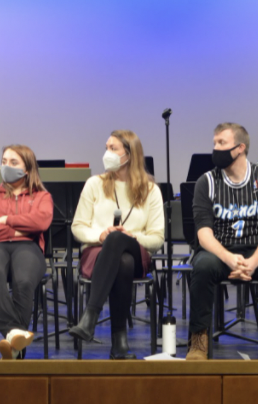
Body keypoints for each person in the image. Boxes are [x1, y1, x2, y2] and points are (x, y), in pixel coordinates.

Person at [187, 123, 258, 360]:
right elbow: (204, 234)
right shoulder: (206, 182)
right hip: (219, 252)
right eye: (214, 143)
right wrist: (229, 258)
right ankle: (198, 340)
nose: (215, 148)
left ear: (240, 148)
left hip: (256, 251)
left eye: (221, 143)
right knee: (202, 266)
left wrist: (254, 262)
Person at [69, 130, 164, 360]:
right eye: (106, 147)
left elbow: (157, 238)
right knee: (121, 258)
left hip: (138, 253)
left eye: (113, 149)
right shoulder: (94, 184)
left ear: (129, 155)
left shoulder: (151, 190)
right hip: (97, 254)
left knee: (119, 240)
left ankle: (90, 317)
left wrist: (129, 237)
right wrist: (101, 236)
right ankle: (119, 344)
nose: (107, 153)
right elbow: (77, 227)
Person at [0, 144, 53, 360]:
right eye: (4, 161)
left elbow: (41, 222)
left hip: (29, 248)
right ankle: (15, 336)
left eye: (13, 162)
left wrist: (7, 220)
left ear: (27, 169)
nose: (6, 166)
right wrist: (19, 230)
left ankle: (14, 344)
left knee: (25, 280)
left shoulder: (41, 196)